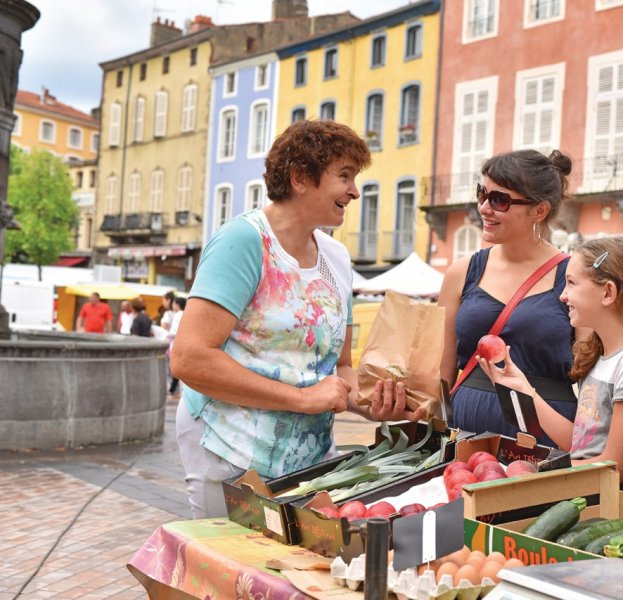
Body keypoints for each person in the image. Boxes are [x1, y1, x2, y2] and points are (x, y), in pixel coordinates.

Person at [170, 120, 424, 519]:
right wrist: (303, 400)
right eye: (344, 176)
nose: (354, 191)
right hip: (231, 450)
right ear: (301, 177)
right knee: (227, 573)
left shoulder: (336, 258)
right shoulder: (243, 241)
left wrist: (374, 404)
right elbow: (189, 358)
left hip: (311, 465)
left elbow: (338, 368)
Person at [477, 238, 623, 499]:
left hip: (622, 514)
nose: (562, 295)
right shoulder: (601, 353)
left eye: (572, 283)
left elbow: (614, 467)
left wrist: (539, 474)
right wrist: (524, 389)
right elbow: (578, 444)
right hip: (588, 502)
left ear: (608, 293)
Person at [438, 149, 577, 447]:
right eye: (482, 194)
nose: (484, 208)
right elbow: (441, 372)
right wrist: (432, 426)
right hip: (466, 433)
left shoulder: (574, 275)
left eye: (499, 200)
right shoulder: (462, 271)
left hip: (544, 435)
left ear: (539, 211)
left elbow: (592, 374)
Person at [167, 296, 187, 399]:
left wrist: (167, 335)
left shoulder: (178, 315)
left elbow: (175, 330)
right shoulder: (185, 313)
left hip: (175, 343)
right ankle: (181, 391)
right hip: (184, 343)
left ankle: (179, 391)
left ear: (177, 304)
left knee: (175, 367)